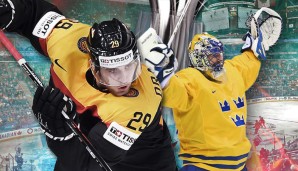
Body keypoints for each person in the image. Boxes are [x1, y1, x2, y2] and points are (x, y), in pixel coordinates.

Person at [0, 0, 177, 171]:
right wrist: (12, 10)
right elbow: (35, 14)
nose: (125, 80)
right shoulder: (69, 43)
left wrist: (57, 134)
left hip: (146, 162)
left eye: (129, 67)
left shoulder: (137, 105)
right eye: (113, 71)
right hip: (92, 133)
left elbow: (87, 164)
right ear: (94, 67)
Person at [144, 21, 275, 170]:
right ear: (198, 58)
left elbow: (247, 63)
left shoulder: (232, 71)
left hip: (239, 165)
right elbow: (173, 90)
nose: (219, 59)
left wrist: (255, 47)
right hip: (203, 165)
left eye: (219, 55)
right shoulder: (190, 79)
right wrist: (163, 78)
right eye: (213, 56)